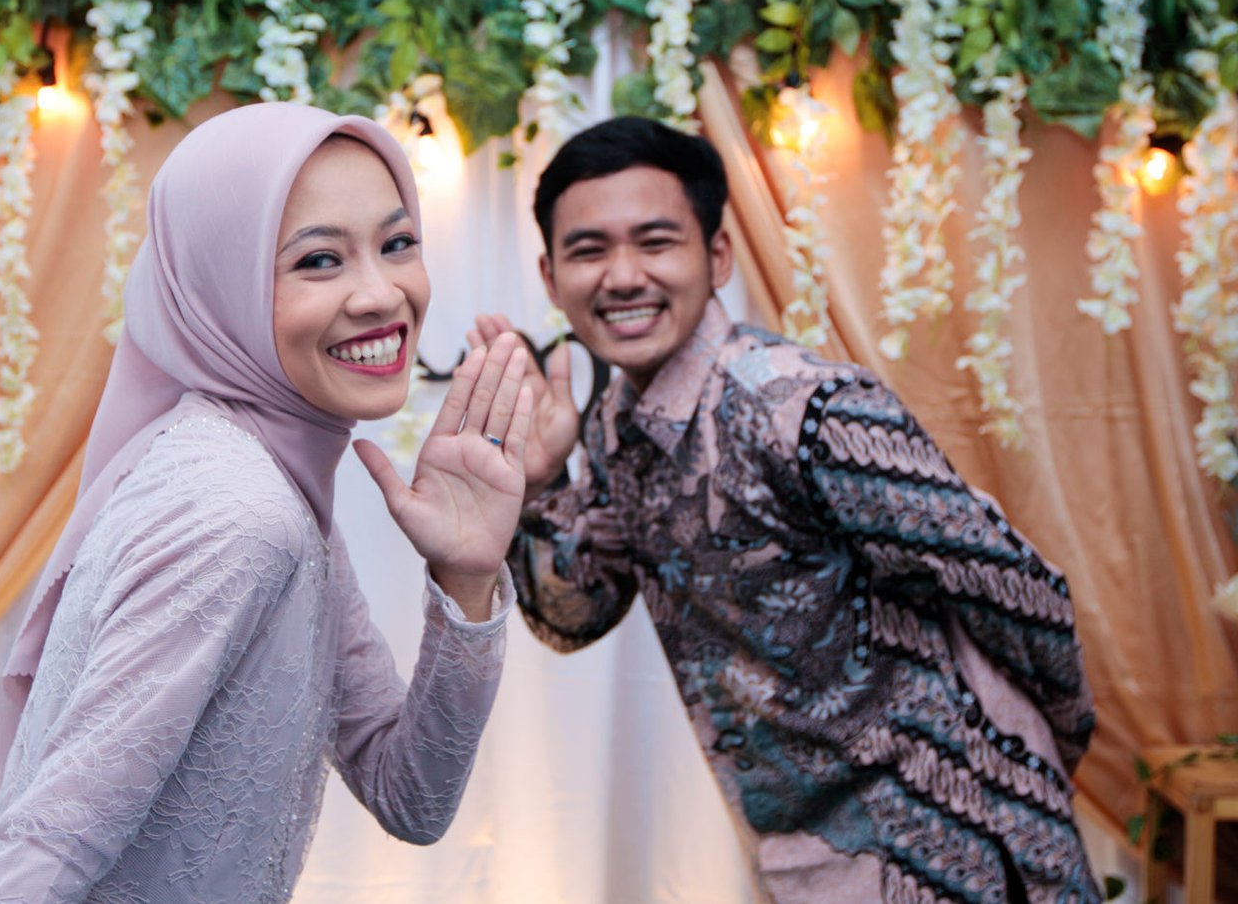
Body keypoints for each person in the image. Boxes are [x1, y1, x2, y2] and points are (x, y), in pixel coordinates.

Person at [471, 116, 1100, 904]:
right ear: (550, 274)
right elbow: (576, 614)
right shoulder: (611, 427)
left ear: (718, 255)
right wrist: (540, 483)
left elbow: (1017, 587)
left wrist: (1048, 751)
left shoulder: (807, 408)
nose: (622, 275)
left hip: (961, 849)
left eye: (656, 241)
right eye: (589, 249)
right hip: (801, 858)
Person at [0, 103, 534, 903]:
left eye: (397, 244)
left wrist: (466, 579)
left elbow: (411, 796)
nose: (380, 293)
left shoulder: (267, 478)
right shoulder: (235, 513)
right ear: (218, 286)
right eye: (319, 260)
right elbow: (43, 853)